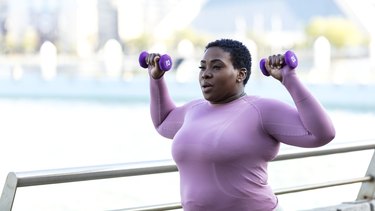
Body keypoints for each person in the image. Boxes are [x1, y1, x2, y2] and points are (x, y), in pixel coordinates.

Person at [145, 38, 335, 211]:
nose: (206, 74)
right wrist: (156, 78)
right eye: (202, 67)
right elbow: (163, 122)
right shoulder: (193, 110)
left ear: (240, 74)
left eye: (217, 67)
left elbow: (322, 134)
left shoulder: (261, 109)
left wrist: (289, 78)